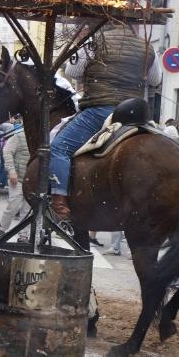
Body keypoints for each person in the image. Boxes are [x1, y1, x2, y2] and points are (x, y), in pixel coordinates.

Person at [51, 25, 151, 220]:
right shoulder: (147, 46)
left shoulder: (96, 41)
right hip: (136, 113)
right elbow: (155, 80)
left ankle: (59, 200)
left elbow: (73, 70)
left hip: (101, 110)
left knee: (59, 148)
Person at [0, 123, 31, 235]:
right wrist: (11, 171)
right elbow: (7, 151)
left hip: (31, 180)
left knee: (27, 210)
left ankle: (23, 235)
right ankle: (2, 230)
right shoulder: (19, 136)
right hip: (17, 178)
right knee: (13, 205)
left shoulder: (40, 138)